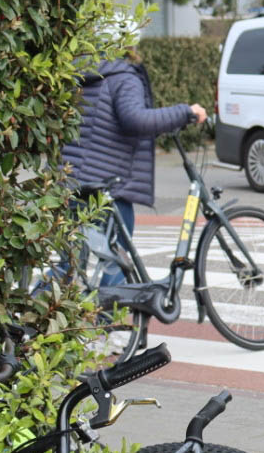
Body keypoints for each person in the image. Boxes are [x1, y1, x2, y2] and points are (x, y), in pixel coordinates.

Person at [64, 53, 206, 286]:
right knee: (116, 262)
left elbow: (106, 122)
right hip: (106, 185)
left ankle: (37, 317)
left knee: (66, 265)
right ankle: (107, 321)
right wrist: (185, 113)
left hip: (71, 180)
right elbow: (135, 120)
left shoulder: (84, 71)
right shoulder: (123, 76)